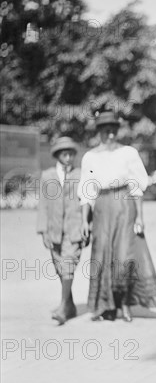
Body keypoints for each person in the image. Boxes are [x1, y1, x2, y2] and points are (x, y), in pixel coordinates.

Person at [78, 110, 156, 321]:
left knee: (124, 255)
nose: (110, 136)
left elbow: (136, 186)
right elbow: (86, 191)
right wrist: (84, 220)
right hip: (102, 206)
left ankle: (125, 303)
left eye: (113, 131)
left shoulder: (128, 153)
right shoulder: (90, 157)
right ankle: (106, 305)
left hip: (125, 205)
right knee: (102, 254)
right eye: (106, 131)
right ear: (99, 132)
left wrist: (140, 217)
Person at [37, 137, 85, 325]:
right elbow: (43, 205)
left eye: (71, 154)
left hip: (74, 229)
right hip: (54, 230)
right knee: (60, 268)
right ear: (57, 156)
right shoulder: (48, 175)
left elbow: (87, 202)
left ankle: (63, 307)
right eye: (64, 154)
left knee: (68, 266)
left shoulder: (81, 175)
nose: (68, 158)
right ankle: (70, 305)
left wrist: (87, 226)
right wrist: (43, 230)